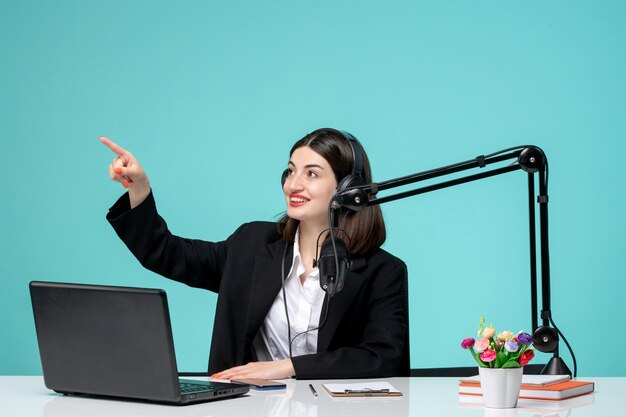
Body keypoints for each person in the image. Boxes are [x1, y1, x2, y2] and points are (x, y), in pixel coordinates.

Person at [100, 128, 408, 380]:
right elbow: (166, 252)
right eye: (290, 171)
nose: (293, 184)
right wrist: (138, 188)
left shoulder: (383, 272)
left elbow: (382, 358)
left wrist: (288, 367)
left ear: (349, 189)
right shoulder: (251, 244)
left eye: (312, 174)